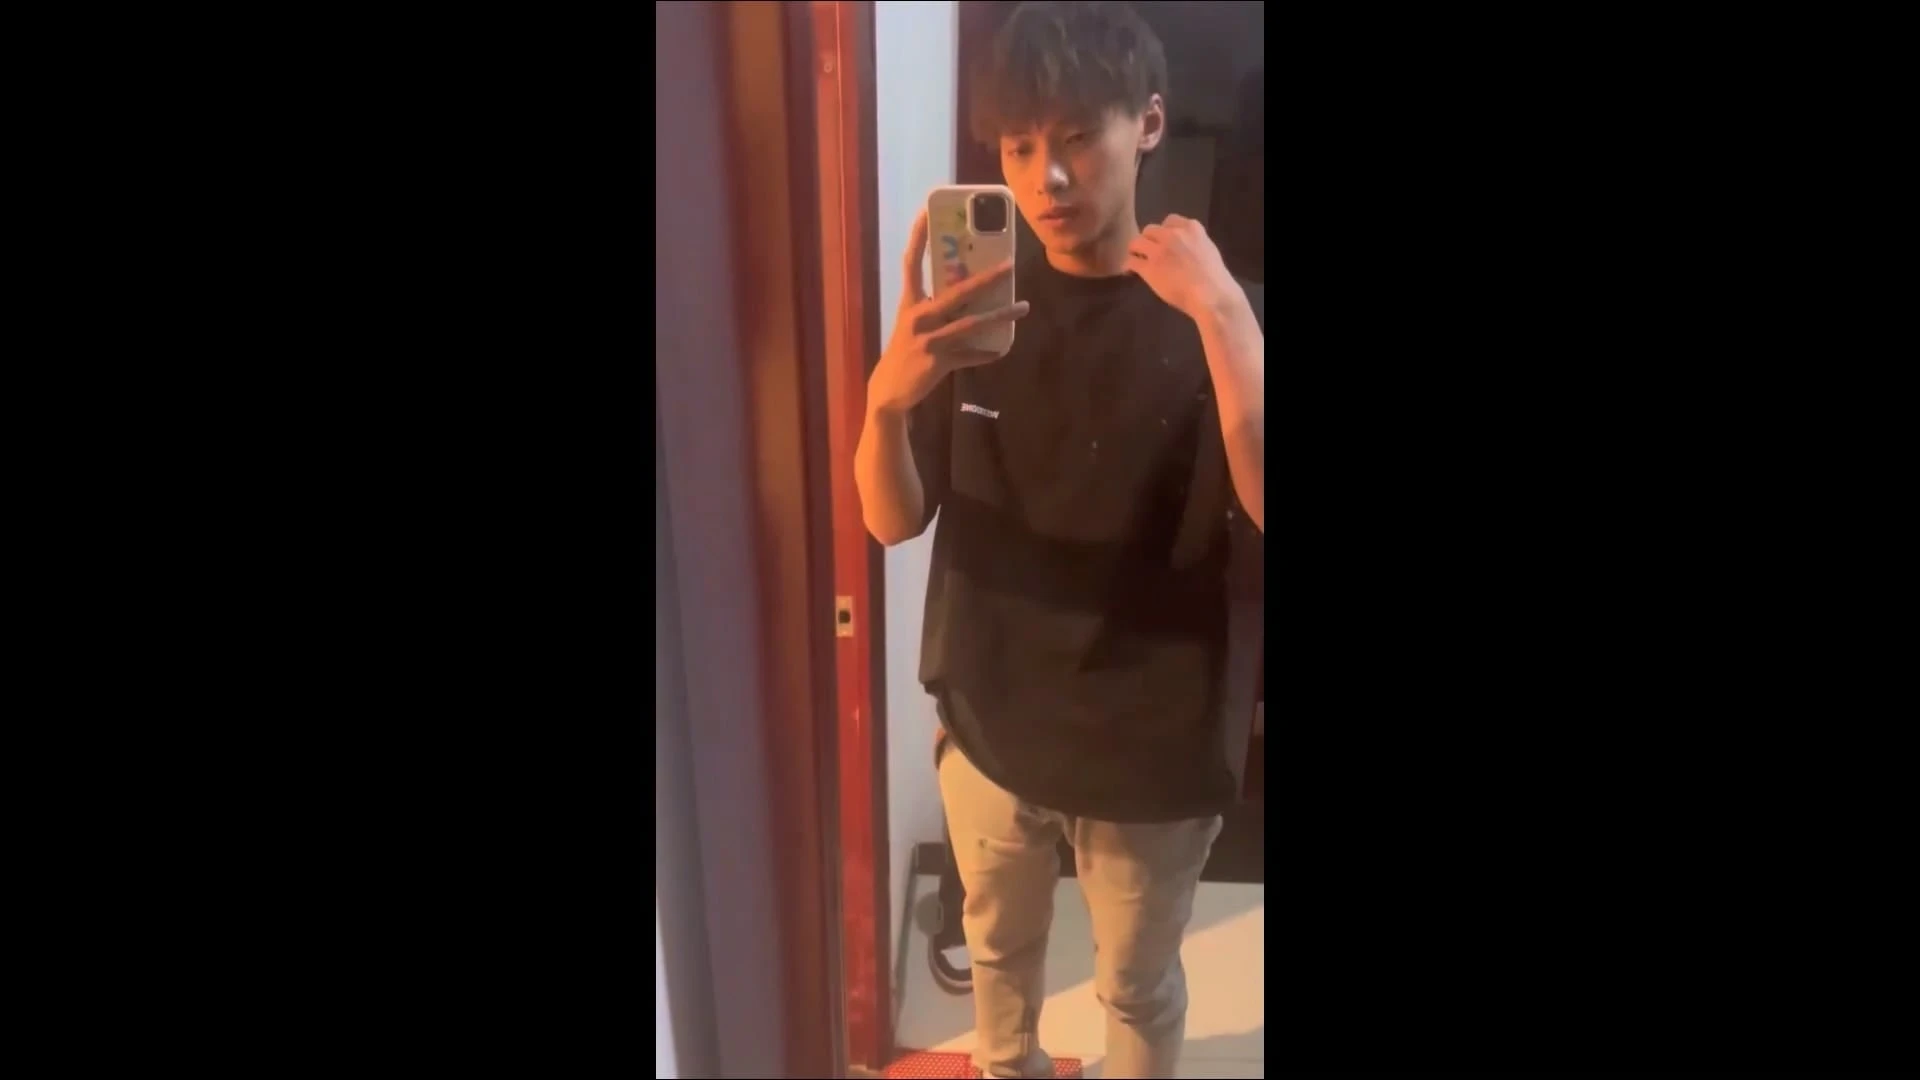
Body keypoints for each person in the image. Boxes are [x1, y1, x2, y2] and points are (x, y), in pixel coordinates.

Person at [853, 2, 1264, 1076]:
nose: (1050, 178)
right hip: (990, 728)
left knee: (1136, 988)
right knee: (998, 959)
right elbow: (891, 519)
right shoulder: (974, 312)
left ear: (1150, 124)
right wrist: (887, 403)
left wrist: (1228, 323)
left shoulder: (1225, 315)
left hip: (1154, 748)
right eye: (1020, 147)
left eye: (1080, 135)